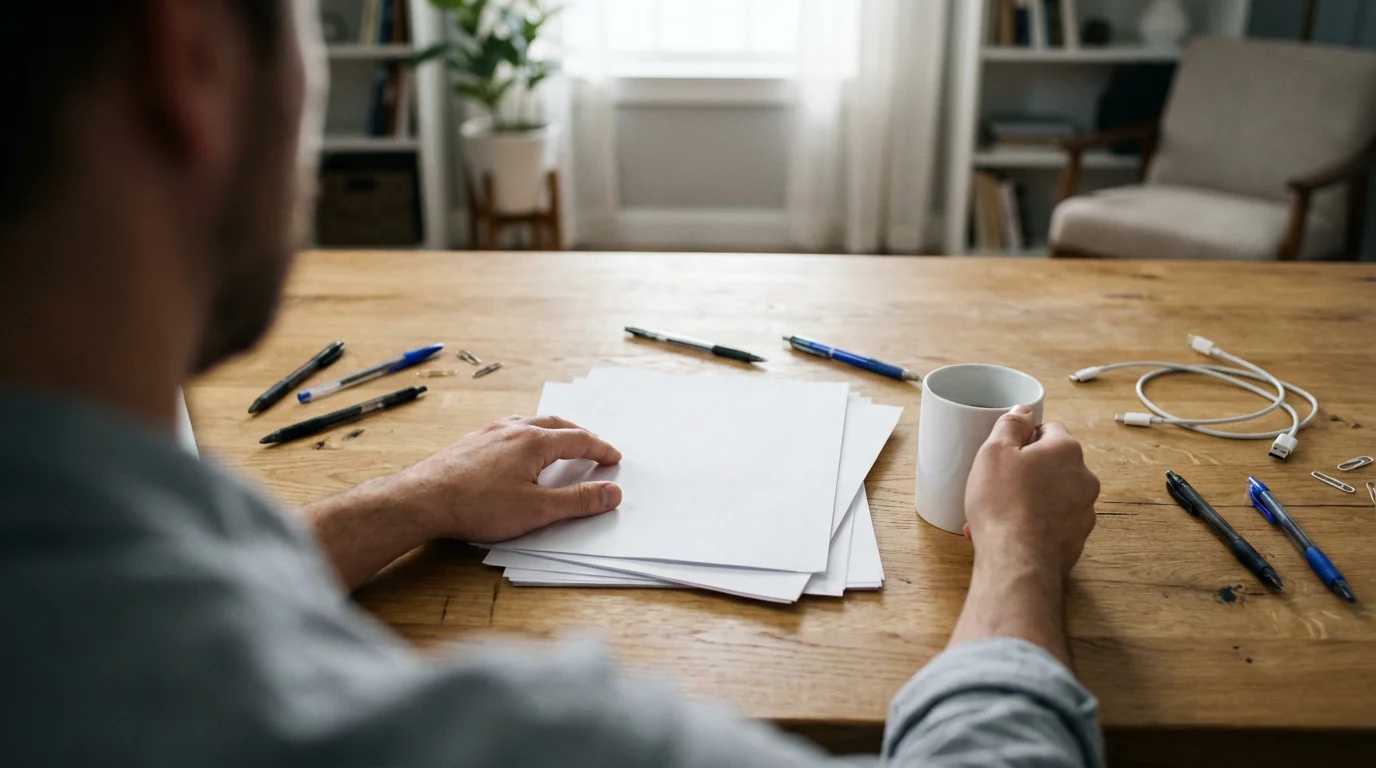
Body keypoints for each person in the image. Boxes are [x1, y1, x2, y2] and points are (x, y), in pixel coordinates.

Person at [0, 2, 1103, 766]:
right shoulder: (521, 742)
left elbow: (172, 601)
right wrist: (1016, 554)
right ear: (185, 55)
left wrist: (411, 499)